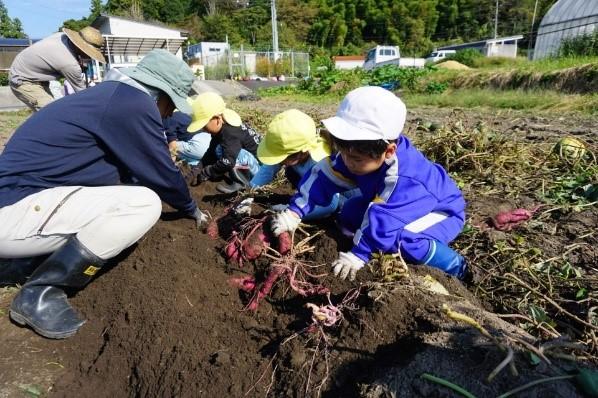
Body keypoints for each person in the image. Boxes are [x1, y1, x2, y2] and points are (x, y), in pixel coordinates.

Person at [0, 49, 207, 339]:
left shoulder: (110, 97)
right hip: (12, 212)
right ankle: (41, 292)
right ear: (158, 93)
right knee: (144, 203)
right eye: (171, 104)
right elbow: (162, 173)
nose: (171, 113)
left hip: (16, 202)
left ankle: (25, 260)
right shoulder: (134, 105)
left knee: (126, 190)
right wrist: (191, 209)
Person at [271, 86, 467, 281]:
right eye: (344, 153)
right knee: (349, 212)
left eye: (355, 159)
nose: (348, 162)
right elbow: (325, 178)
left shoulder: (405, 179)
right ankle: (368, 242)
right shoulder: (357, 151)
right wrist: (294, 212)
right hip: (390, 206)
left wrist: (359, 255)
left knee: (402, 239)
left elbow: (386, 219)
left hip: (439, 212)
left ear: (388, 151)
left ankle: (457, 266)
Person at [218, 109, 342, 220]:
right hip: (310, 181)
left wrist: (291, 213)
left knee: (342, 209)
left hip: (338, 198)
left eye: (281, 157)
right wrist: (249, 194)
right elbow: (269, 168)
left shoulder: (321, 163)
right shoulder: (296, 153)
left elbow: (331, 205)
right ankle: (303, 199)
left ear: (302, 153)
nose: (279, 161)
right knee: (291, 172)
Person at [9, 27, 105, 111]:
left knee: (50, 112)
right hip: (23, 80)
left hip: (33, 74)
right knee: (50, 113)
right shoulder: (69, 64)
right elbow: (82, 94)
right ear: (80, 47)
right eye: (89, 52)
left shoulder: (62, 36)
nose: (89, 56)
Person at [186, 92, 261, 187]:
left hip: (261, 173)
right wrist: (197, 170)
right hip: (253, 164)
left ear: (217, 119)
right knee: (218, 149)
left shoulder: (230, 133)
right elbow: (210, 152)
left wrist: (209, 172)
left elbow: (228, 162)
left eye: (204, 126)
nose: (203, 130)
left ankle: (242, 184)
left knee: (233, 154)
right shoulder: (222, 127)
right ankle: (239, 176)